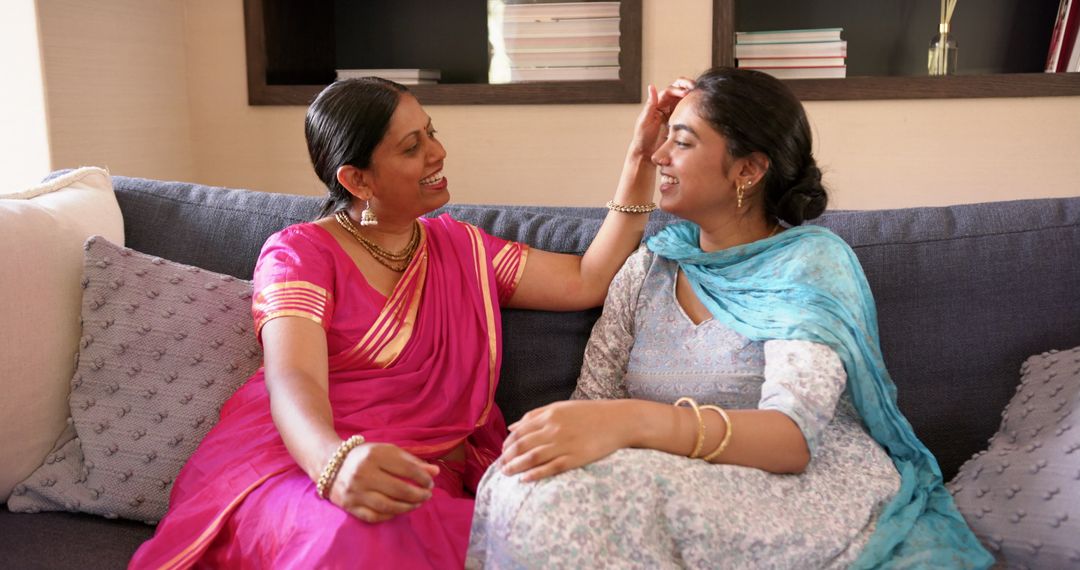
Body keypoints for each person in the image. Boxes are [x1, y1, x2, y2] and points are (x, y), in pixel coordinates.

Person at [128, 77, 683, 569]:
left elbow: (587, 278)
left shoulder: (461, 247)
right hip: (300, 458)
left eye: (431, 132)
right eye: (412, 147)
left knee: (519, 538)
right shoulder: (299, 253)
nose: (438, 152)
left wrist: (638, 159)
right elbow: (292, 378)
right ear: (358, 179)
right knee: (347, 533)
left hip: (410, 473)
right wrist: (334, 465)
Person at [467, 68, 993, 569]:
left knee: (574, 497)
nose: (659, 155)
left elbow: (791, 439)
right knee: (525, 477)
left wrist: (633, 421)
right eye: (661, 139)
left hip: (795, 490)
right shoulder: (651, 265)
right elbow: (590, 410)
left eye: (683, 141)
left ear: (748, 169)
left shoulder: (808, 263)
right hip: (663, 479)